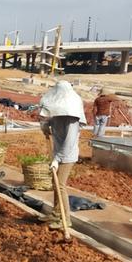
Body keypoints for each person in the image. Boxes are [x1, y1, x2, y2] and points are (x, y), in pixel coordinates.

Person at [38, 81, 87, 230]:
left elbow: (69, 142)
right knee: (55, 184)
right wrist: (46, 125)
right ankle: (55, 213)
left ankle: (66, 219)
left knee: (60, 186)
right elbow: (51, 118)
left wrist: (57, 159)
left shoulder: (72, 117)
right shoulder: (59, 110)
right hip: (58, 153)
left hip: (67, 155)